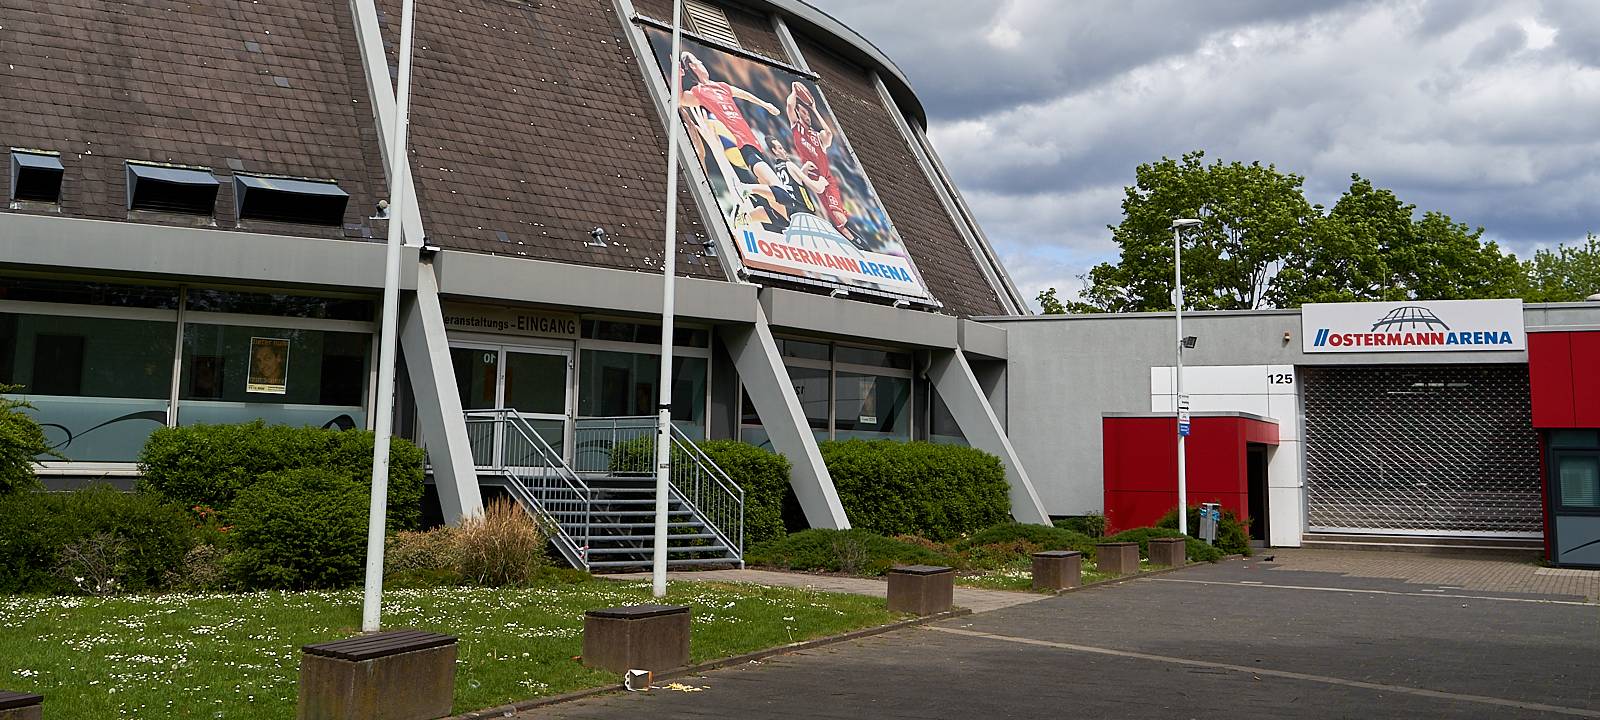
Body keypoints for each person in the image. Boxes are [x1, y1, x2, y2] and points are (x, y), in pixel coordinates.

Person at [676, 52, 783, 189]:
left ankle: (751, 191)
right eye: (698, 61)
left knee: (771, 189)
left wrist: (765, 105)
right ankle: (745, 189)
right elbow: (680, 99)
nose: (702, 64)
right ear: (692, 66)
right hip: (733, 146)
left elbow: (743, 94)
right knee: (770, 186)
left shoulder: (721, 86)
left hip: (750, 140)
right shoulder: (698, 91)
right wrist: (678, 77)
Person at [785, 81, 856, 242]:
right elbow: (790, 105)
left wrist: (814, 109)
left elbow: (829, 134)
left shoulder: (817, 136)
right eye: (803, 113)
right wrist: (794, 91)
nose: (806, 116)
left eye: (807, 113)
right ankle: (844, 238)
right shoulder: (797, 127)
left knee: (840, 219)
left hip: (827, 180)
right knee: (827, 218)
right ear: (798, 114)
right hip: (813, 179)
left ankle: (854, 239)